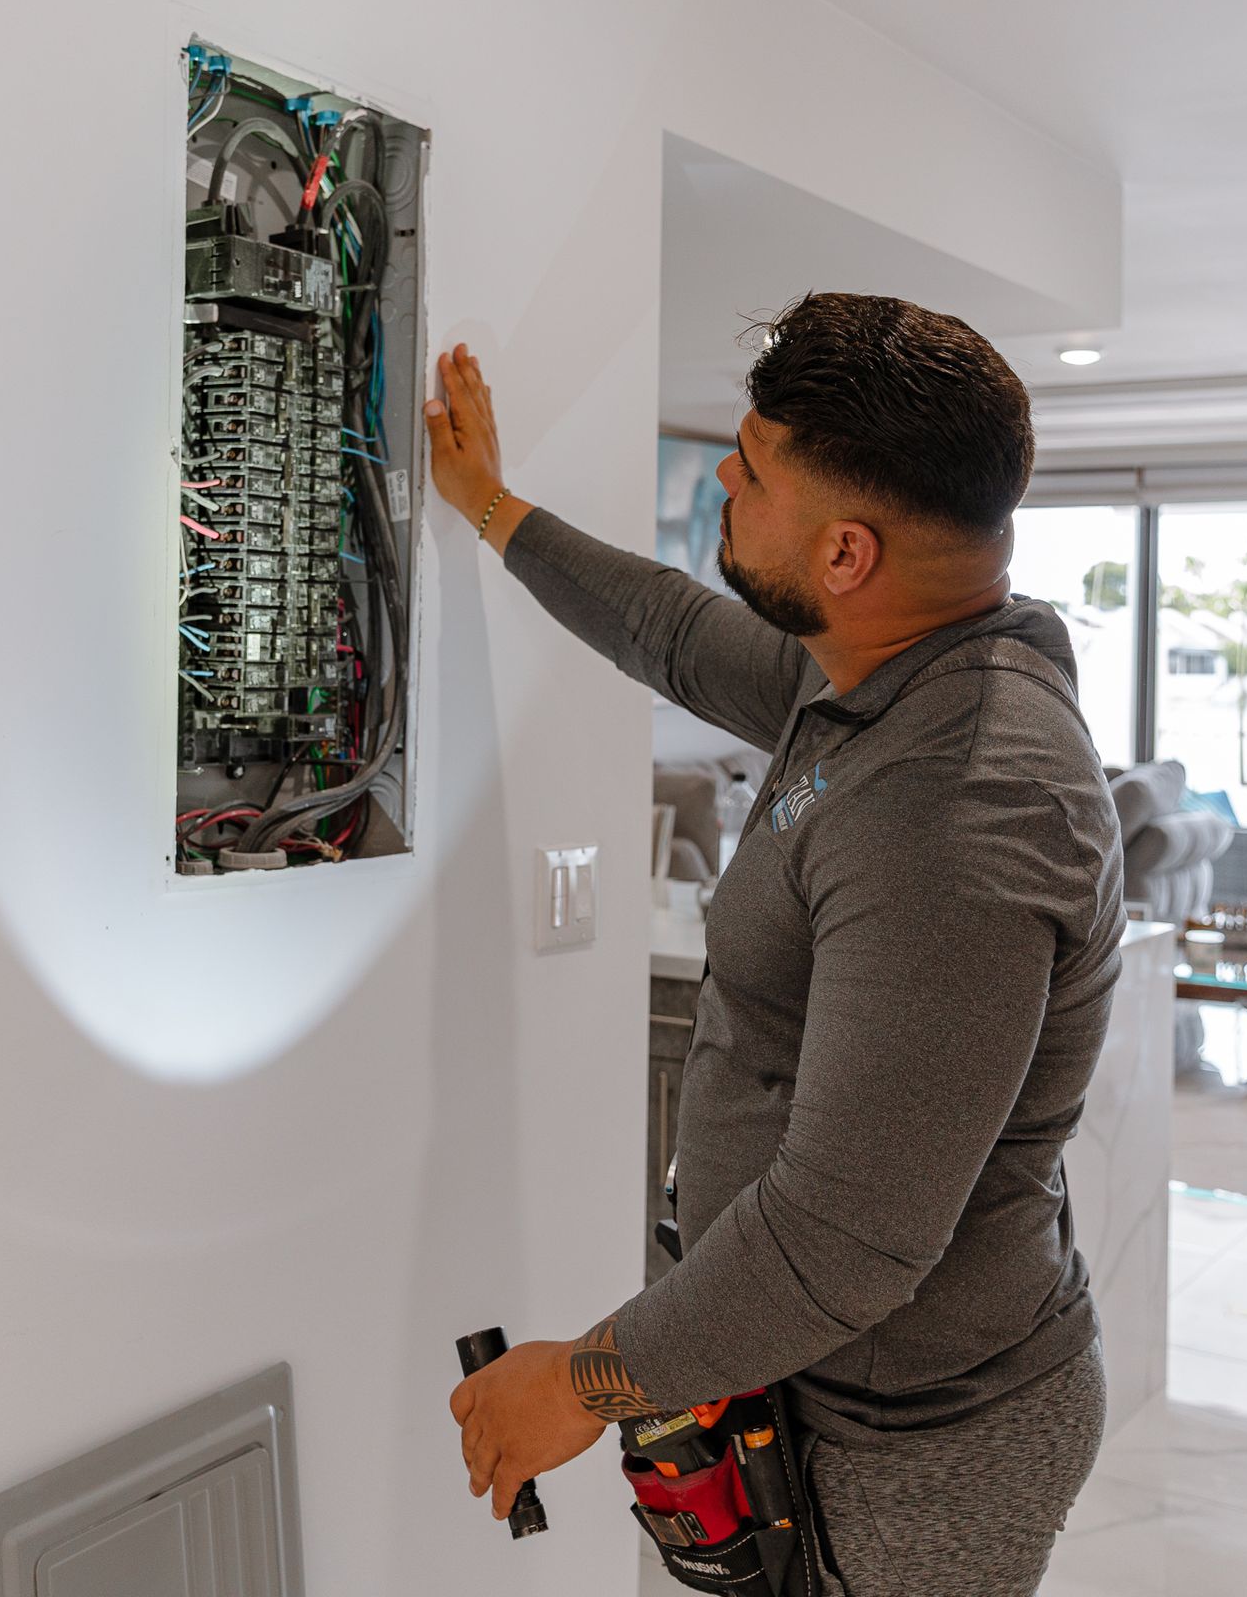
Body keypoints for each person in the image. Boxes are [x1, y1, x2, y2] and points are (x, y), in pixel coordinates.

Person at [434, 294, 1124, 1597]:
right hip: (811, 1391)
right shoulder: (881, 667)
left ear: (848, 553)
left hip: (916, 1446)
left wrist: (581, 1382)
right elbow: (676, 632)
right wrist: (490, 505)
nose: (717, 488)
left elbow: (843, 1244)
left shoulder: (961, 811)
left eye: (746, 474)